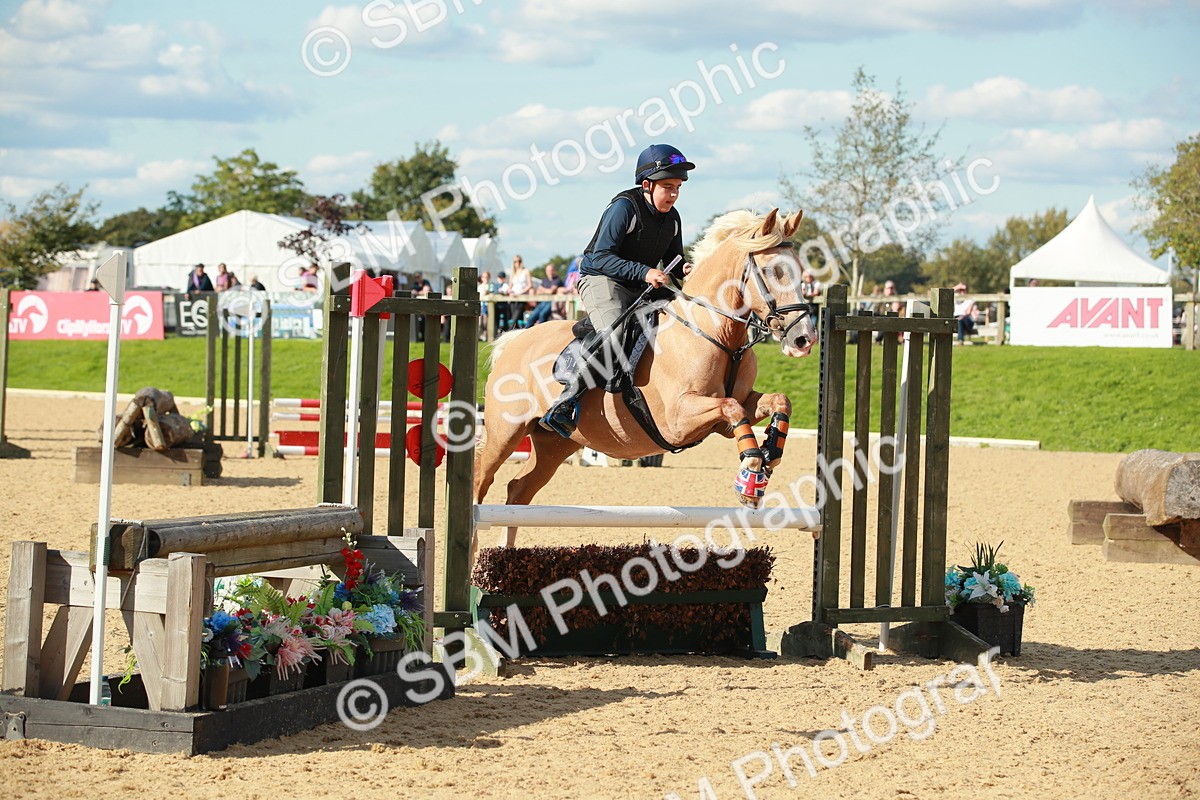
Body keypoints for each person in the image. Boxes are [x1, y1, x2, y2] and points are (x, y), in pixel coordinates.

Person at [540, 143, 695, 437]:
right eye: (667, 187)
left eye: (677, 187)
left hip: (640, 284)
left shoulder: (673, 218)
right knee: (615, 331)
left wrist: (686, 269)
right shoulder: (625, 208)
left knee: (686, 315)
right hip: (601, 279)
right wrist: (645, 271)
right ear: (647, 185)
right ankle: (565, 401)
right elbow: (600, 257)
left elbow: (674, 261)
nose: (674, 194)